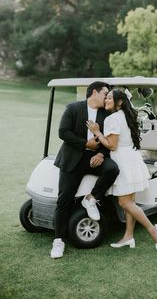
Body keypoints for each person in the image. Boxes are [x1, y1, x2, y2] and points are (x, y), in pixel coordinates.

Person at [87, 89, 157, 250]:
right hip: (133, 160)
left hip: (123, 162)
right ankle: (128, 236)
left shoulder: (112, 119)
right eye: (106, 97)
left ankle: (153, 229)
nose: (106, 100)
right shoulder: (128, 116)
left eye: (110, 98)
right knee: (131, 202)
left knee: (124, 202)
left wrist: (97, 132)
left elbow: (112, 145)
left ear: (120, 101)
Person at [50, 82, 119, 259]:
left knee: (112, 169)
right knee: (64, 200)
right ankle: (58, 241)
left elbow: (108, 139)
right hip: (73, 158)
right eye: (105, 93)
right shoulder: (73, 108)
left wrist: (102, 154)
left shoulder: (107, 114)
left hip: (94, 159)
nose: (107, 97)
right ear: (94, 92)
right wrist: (85, 143)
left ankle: (91, 199)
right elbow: (63, 132)